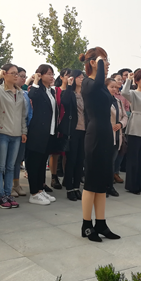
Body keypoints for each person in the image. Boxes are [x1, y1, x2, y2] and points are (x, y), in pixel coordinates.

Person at [80, 47, 120, 242]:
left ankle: (101, 223)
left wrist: (101, 62)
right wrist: (100, 63)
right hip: (94, 134)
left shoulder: (101, 86)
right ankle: (87, 224)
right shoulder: (87, 83)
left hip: (105, 133)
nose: (107, 63)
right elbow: (97, 83)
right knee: (91, 183)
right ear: (93, 63)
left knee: (103, 183)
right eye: (103, 60)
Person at [0, 63, 27, 209]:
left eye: (17, 74)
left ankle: (8, 194)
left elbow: (23, 114)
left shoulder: (20, 93)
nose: (16, 76)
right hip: (2, 133)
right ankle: (0, 195)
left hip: (16, 135)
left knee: (11, 166)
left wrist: (23, 131)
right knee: (0, 166)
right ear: (5, 74)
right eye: (13, 73)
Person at [26, 64, 59, 205]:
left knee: (42, 163)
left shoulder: (50, 91)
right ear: (40, 75)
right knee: (34, 163)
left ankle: (40, 189)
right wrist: (35, 80)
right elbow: (32, 95)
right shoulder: (37, 89)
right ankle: (34, 193)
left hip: (49, 132)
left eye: (52, 74)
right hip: (38, 132)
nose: (52, 76)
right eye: (49, 74)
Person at [59, 70, 86, 201]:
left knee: (80, 160)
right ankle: (69, 188)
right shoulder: (69, 92)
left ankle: (76, 187)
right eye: (79, 77)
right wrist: (69, 86)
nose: (81, 79)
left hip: (85, 130)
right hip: (73, 130)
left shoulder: (85, 94)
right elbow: (64, 102)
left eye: (83, 77)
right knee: (71, 160)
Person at [49, 68, 71, 190]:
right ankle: (54, 176)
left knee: (67, 152)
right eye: (67, 75)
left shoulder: (73, 91)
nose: (69, 78)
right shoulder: (55, 90)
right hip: (57, 124)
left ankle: (67, 176)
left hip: (69, 125)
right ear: (61, 77)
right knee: (55, 153)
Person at [106, 77, 128, 197]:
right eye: (111, 87)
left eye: (116, 87)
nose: (114, 89)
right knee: (105, 162)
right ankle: (103, 186)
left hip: (117, 135)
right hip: (106, 135)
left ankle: (110, 186)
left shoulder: (118, 101)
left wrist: (120, 124)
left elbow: (125, 116)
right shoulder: (103, 100)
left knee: (112, 162)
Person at [12, 67, 31, 197]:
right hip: (10, 130)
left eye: (25, 76)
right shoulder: (6, 91)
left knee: (18, 159)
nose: (23, 79)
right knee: (10, 161)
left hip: (23, 129)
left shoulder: (25, 94)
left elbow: (27, 113)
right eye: (21, 76)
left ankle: (16, 184)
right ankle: (8, 186)